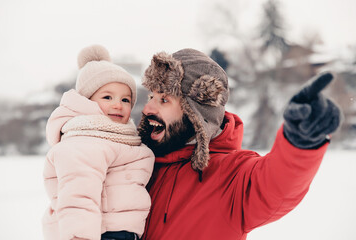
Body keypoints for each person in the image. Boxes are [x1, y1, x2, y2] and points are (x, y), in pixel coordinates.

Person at [137, 48, 341, 240]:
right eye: (151, 96)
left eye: (164, 100)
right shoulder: (136, 167)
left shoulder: (231, 178)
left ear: (196, 113)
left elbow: (276, 185)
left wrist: (300, 142)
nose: (147, 108)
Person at [42, 45, 154, 240]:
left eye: (126, 99)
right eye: (107, 97)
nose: (118, 104)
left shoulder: (120, 139)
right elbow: (78, 196)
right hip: (99, 233)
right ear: (87, 101)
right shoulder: (85, 142)